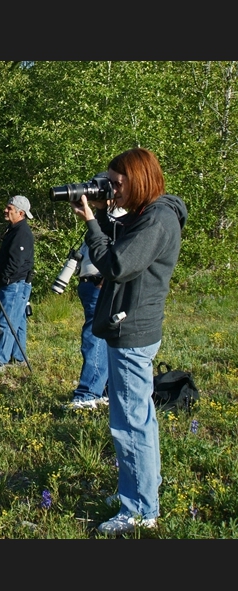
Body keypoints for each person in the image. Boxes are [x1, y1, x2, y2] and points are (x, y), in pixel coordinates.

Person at [71, 147, 187, 536]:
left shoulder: (157, 220)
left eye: (117, 184)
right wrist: (102, 211)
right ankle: (139, 490)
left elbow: (116, 264)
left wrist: (91, 221)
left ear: (139, 179)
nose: (113, 189)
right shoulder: (148, 215)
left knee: (130, 422)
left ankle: (138, 509)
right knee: (141, 418)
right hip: (134, 326)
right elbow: (123, 245)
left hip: (132, 330)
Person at [68, 206, 128, 410]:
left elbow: (118, 254)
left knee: (94, 338)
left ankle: (88, 393)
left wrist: (104, 278)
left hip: (98, 285)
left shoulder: (119, 217)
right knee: (102, 337)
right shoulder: (102, 219)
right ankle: (103, 389)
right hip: (89, 284)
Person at [0, 195, 35, 374]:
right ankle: (19, 358)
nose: (5, 211)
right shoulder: (13, 230)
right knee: (18, 322)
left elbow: (16, 262)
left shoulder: (22, 233)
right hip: (15, 283)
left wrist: (0, 276)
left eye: (9, 208)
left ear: (20, 213)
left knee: (6, 322)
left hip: (15, 284)